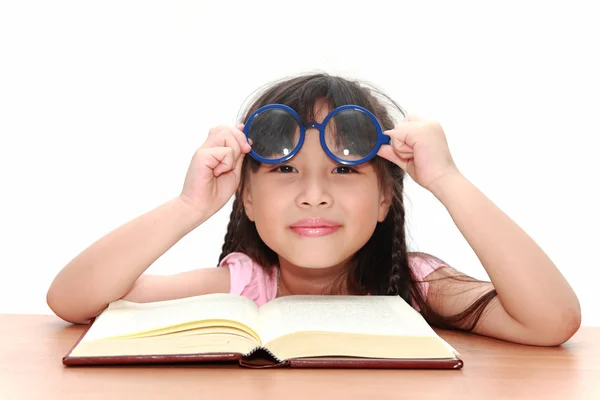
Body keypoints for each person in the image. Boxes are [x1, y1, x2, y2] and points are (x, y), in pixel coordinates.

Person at [46, 73, 581, 346]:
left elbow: (551, 321)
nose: (314, 194)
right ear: (248, 199)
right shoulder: (243, 286)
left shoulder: (417, 284)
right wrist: (190, 206)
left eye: (345, 170)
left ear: (385, 199)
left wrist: (447, 179)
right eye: (284, 171)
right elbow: (74, 299)